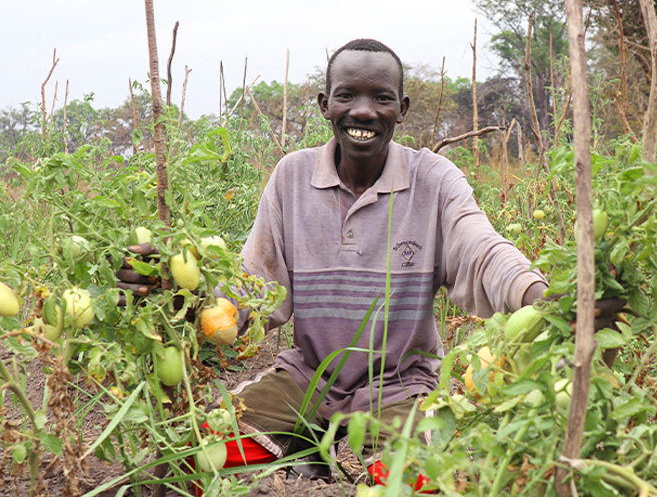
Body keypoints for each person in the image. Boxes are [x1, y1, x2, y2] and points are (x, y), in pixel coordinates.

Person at [121, 38, 550, 492]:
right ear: (326, 104)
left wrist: (540, 297)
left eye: (381, 98)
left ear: (401, 108)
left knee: (410, 483)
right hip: (307, 377)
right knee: (199, 450)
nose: (363, 112)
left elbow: (482, 250)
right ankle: (304, 449)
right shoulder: (292, 177)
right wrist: (177, 295)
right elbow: (253, 290)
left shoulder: (434, 180)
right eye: (347, 95)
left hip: (402, 384)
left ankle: (332, 458)